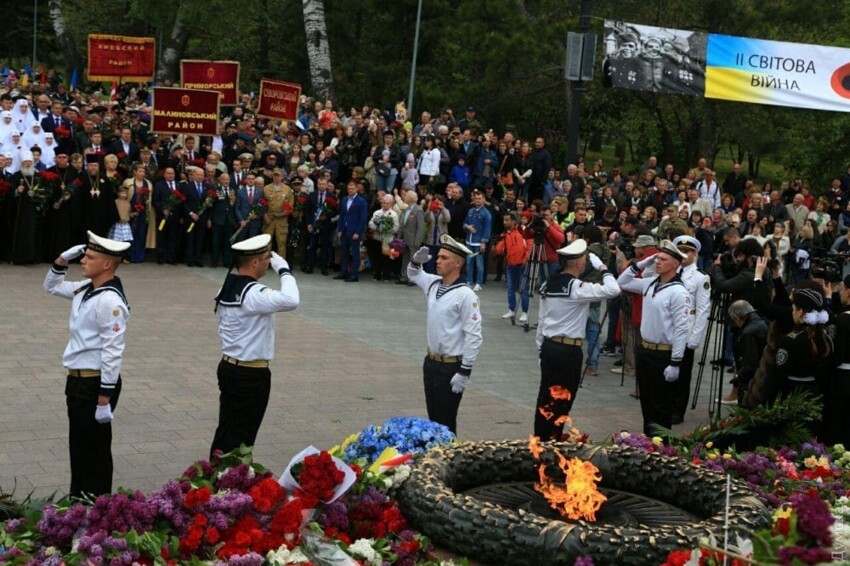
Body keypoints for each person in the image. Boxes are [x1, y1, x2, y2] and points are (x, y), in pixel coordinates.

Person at [43, 232, 131, 497]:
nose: (82, 260)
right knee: (79, 446)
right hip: (78, 380)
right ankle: (78, 500)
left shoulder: (109, 300)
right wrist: (61, 259)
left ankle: (97, 504)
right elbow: (51, 286)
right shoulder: (85, 289)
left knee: (95, 450)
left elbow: (113, 350)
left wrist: (104, 396)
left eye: (89, 257)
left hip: (95, 384)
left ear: (107, 265)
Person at [210, 234, 299, 457]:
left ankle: (214, 479)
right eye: (266, 258)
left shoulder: (227, 288)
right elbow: (292, 300)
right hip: (250, 374)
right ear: (254, 262)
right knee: (242, 437)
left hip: (229, 366)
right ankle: (229, 485)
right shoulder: (255, 293)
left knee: (227, 431)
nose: (269, 262)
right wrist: (284, 270)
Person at [534, 239, 620, 440]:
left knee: (545, 399)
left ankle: (541, 441)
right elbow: (613, 289)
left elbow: (541, 320)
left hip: (549, 346)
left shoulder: (549, 283)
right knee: (562, 401)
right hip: (568, 352)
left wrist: (541, 350)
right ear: (580, 263)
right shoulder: (576, 287)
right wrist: (603, 267)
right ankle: (552, 443)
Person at [407, 235, 483, 434]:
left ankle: (450, 460)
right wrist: (416, 261)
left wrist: (465, 371)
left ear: (458, 263)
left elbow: (474, 336)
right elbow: (413, 274)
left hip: (451, 367)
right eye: (438, 257)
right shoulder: (434, 284)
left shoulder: (466, 295)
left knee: (446, 422)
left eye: (444, 258)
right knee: (434, 419)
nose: (438, 261)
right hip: (431, 362)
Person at [617, 240, 690, 437]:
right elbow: (621, 283)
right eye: (657, 258)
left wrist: (675, 362)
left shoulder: (679, 292)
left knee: (661, 405)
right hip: (645, 350)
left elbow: (681, 329)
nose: (657, 262)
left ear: (675, 264)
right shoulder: (651, 283)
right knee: (647, 402)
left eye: (663, 259)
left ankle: (662, 447)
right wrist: (640, 265)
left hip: (663, 354)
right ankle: (649, 442)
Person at [670, 235, 712, 423]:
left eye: (687, 251)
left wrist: (695, 337)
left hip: (687, 326)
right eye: (680, 251)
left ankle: (678, 410)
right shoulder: (670, 271)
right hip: (668, 327)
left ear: (694, 254)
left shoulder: (700, 277)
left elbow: (703, 309)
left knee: (682, 373)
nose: (683, 255)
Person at [728, 300, 768, 406]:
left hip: (754, 381)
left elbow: (750, 363)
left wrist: (739, 378)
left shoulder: (748, 333)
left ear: (736, 318)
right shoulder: (761, 322)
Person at [829, 276, 850, 445]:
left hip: (843, 378)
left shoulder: (843, 320)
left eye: (842, 289)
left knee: (839, 423)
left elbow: (836, 355)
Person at [336, 180, 368, 282]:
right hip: (345, 230)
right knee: (344, 252)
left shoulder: (361, 201)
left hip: (354, 231)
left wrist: (358, 232)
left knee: (355, 253)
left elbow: (363, 218)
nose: (350, 190)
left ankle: (354, 274)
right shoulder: (345, 199)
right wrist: (340, 229)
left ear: (357, 189)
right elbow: (342, 215)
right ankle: (343, 272)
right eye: (349, 188)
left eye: (352, 188)